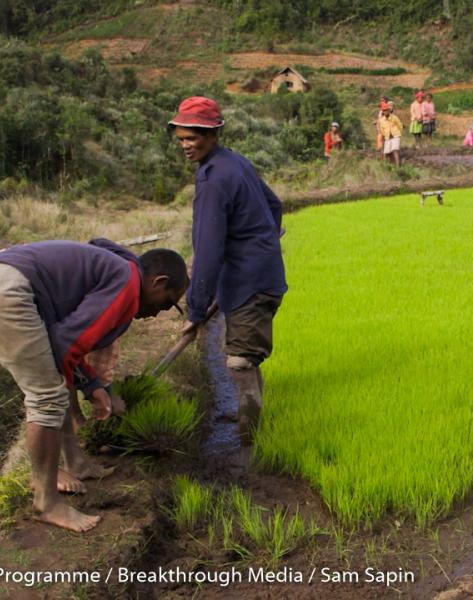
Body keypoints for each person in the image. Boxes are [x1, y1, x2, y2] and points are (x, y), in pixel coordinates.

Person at [0, 239, 188, 532]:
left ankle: (75, 463)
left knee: (55, 385)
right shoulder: (127, 284)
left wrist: (92, 386)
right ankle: (46, 502)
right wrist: (91, 387)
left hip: (10, 279)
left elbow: (65, 342)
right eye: (167, 302)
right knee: (47, 396)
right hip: (10, 289)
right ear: (157, 281)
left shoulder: (121, 271)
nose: (159, 313)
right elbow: (65, 344)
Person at [169, 96, 287, 447]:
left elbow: (207, 250)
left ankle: (249, 440)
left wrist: (195, 308)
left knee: (239, 362)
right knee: (243, 355)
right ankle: (249, 419)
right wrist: (262, 245)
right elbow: (274, 206)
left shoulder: (214, 180)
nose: (187, 145)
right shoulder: (234, 162)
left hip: (252, 282)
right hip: (260, 274)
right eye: (181, 139)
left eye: (194, 137)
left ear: (215, 132)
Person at [378, 101, 403, 167]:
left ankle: (398, 167)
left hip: (395, 136)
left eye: (386, 110)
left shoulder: (394, 118)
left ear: (389, 110)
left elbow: (400, 125)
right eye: (384, 111)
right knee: (387, 153)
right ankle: (388, 166)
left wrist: (398, 133)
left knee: (395, 151)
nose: (385, 112)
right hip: (387, 138)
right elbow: (382, 130)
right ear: (382, 112)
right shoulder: (382, 120)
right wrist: (384, 137)